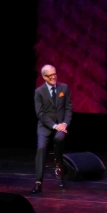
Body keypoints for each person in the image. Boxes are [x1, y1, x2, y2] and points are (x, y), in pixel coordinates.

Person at [32, 65, 73, 194]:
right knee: (41, 148)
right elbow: (40, 114)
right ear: (44, 77)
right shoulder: (39, 92)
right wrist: (55, 126)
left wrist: (65, 124)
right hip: (45, 125)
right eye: (50, 75)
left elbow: (68, 108)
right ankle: (38, 182)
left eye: (55, 74)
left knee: (59, 139)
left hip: (61, 124)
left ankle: (58, 160)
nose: (54, 77)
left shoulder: (64, 88)